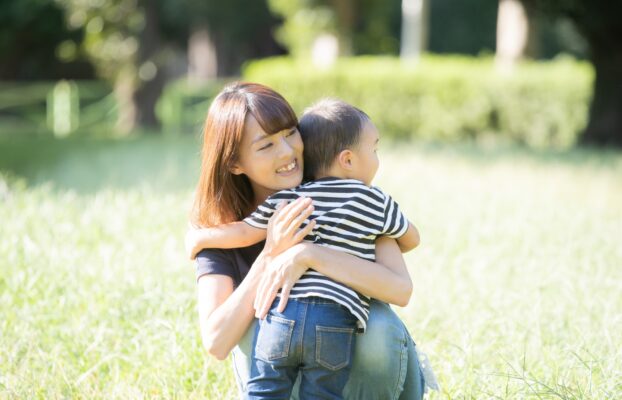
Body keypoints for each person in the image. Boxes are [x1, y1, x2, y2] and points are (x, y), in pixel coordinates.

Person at [187, 82, 435, 399]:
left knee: (378, 332)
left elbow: (400, 289)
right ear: (235, 163)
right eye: (267, 146)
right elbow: (217, 341)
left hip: (369, 378)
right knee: (255, 328)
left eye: (290, 133)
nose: (288, 152)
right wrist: (271, 254)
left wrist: (308, 253)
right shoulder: (224, 230)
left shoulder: (344, 195)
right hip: (285, 375)